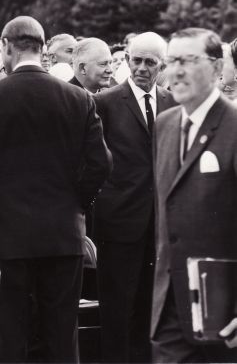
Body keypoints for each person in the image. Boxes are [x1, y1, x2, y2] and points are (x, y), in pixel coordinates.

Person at [0, 16, 111, 363]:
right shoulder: (78, 97)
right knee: (62, 329)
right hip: (64, 230)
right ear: (43, 49)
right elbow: (102, 164)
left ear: (5, 47)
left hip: (10, 232)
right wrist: (77, 202)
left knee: (13, 327)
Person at [152, 27, 237, 363]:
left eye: (189, 60)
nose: (178, 70)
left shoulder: (233, 127)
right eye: (172, 61)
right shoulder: (165, 124)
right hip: (170, 310)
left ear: (217, 69)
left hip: (224, 313)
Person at [93, 32, 177, 363]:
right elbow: (94, 164)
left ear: (163, 65)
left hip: (161, 228)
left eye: (150, 62)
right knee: (116, 313)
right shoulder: (106, 102)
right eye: (136, 60)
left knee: (152, 311)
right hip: (119, 225)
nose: (141, 68)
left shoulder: (173, 103)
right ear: (127, 60)